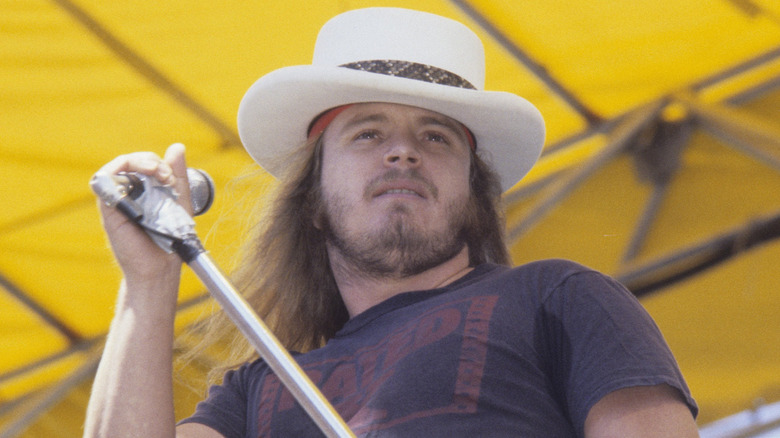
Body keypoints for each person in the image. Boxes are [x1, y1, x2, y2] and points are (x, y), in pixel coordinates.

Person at [84, 7, 699, 438]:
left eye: (435, 136)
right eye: (368, 132)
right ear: (315, 200)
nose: (403, 152)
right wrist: (147, 284)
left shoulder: (560, 300)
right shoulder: (256, 392)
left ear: (475, 196)